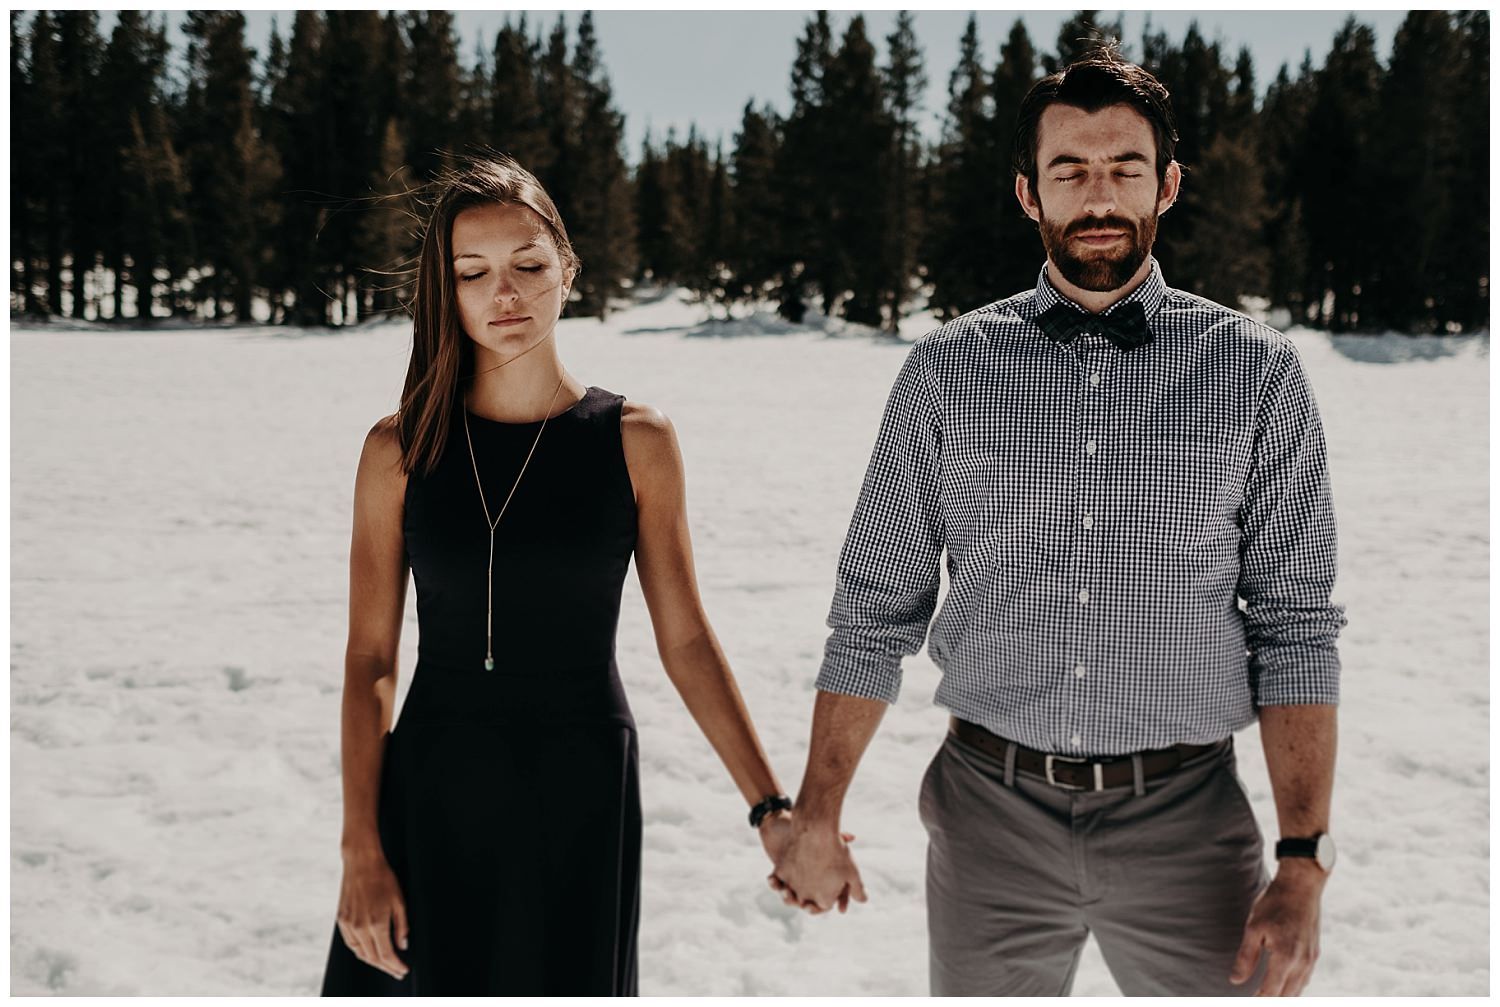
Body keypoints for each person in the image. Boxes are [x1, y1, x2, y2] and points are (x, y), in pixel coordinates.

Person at [768, 46, 1345, 997]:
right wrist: (819, 814)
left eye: (1124, 167)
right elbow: (875, 610)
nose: (1099, 195)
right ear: (1030, 193)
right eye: (1070, 170)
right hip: (988, 817)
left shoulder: (1258, 374)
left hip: (1188, 818)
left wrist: (1303, 861)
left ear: (1168, 184)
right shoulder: (946, 371)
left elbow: (1295, 627)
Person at [318, 154, 794, 995]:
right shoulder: (398, 451)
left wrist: (769, 807)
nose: (505, 294)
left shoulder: (635, 439)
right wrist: (361, 843)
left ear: (567, 270)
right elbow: (369, 659)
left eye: (528, 266)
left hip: (580, 796)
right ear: (448, 289)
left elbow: (684, 637)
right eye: (474, 272)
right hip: (432, 792)